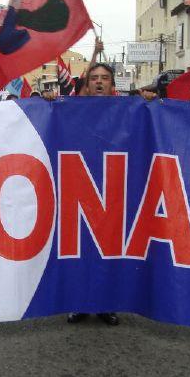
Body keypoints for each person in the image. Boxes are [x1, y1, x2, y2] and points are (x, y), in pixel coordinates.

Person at [67, 61, 120, 327]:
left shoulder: (128, 111)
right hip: (79, 188)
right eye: (94, 78)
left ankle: (105, 304)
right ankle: (79, 303)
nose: (99, 81)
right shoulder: (72, 110)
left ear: (113, 85)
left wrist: (151, 102)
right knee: (80, 249)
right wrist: (50, 101)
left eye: (105, 78)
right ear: (87, 85)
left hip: (114, 190)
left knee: (108, 251)